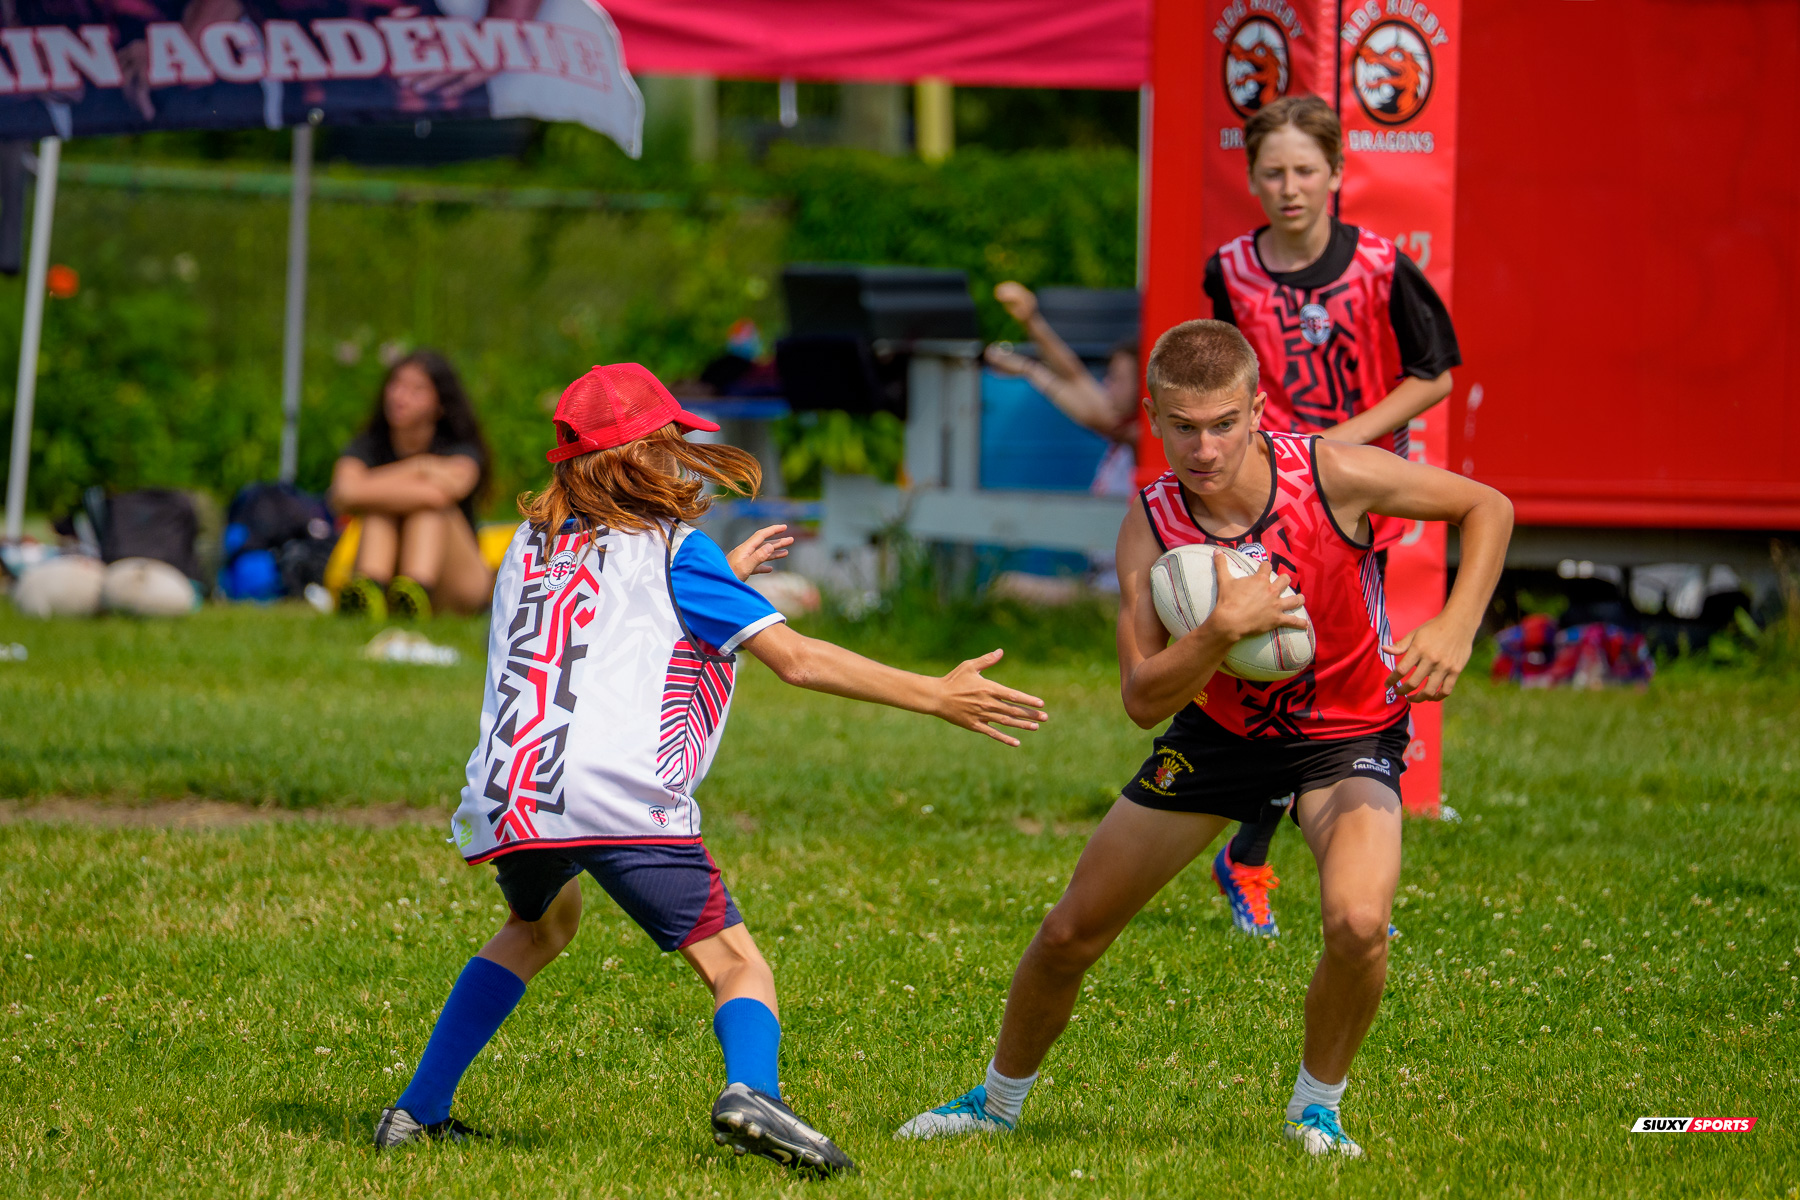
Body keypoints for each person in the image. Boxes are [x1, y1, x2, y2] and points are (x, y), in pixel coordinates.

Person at [372, 363, 1050, 1174]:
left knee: (538, 925)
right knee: (737, 964)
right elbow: (795, 659)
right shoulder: (676, 553)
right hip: (615, 797)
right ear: (642, 455)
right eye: (672, 443)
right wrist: (934, 694)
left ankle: (416, 1111)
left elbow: (608, 617)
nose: (685, 457)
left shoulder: (527, 545)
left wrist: (720, 578)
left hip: (514, 793)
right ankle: (752, 1093)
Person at [896, 319, 1510, 1157]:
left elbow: (1488, 506)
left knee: (1359, 923)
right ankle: (994, 1102)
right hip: (1218, 734)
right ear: (1152, 416)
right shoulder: (1151, 525)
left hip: (1346, 731)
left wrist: (1457, 624)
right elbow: (1144, 699)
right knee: (1071, 931)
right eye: (1182, 426)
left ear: (1257, 409)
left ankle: (1316, 1111)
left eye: (1224, 422)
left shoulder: (1332, 475)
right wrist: (1221, 632)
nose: (1205, 446)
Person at [1202, 94, 1462, 936]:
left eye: (1305, 171)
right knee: (1280, 672)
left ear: (1339, 175)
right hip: (1263, 505)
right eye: (1272, 172)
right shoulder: (1230, 270)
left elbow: (1436, 372)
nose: (1289, 187)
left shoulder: (1382, 265)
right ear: (1251, 178)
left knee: (1350, 680)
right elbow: (1217, 378)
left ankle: (1277, 861)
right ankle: (1257, 859)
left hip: (1350, 504)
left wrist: (1340, 446)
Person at [330, 351, 496, 619]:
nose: (400, 396)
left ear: (440, 404)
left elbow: (444, 493)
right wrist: (420, 467)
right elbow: (342, 494)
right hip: (391, 572)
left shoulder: (461, 448)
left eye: (416, 389)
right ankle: (372, 590)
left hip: (458, 583)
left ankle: (414, 591)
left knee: (426, 509)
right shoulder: (369, 443)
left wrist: (372, 487)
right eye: (396, 384)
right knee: (381, 508)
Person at [983, 282, 1140, 500]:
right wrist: (1031, 320)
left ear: (1144, 386)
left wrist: (1029, 369)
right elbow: (1075, 375)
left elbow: (1092, 415)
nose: (1106, 383)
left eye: (1117, 378)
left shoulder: (1141, 434)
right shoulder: (1126, 425)